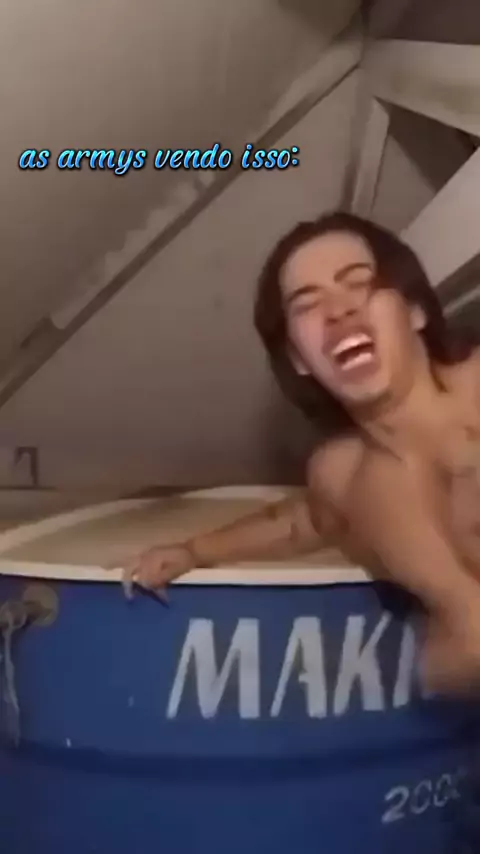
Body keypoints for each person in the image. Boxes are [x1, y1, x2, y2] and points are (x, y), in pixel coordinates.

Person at [111, 211, 480, 693]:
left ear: (414, 310)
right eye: (307, 304)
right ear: (299, 359)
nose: (338, 310)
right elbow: (301, 523)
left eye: (358, 283)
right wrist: (193, 551)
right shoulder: (345, 479)